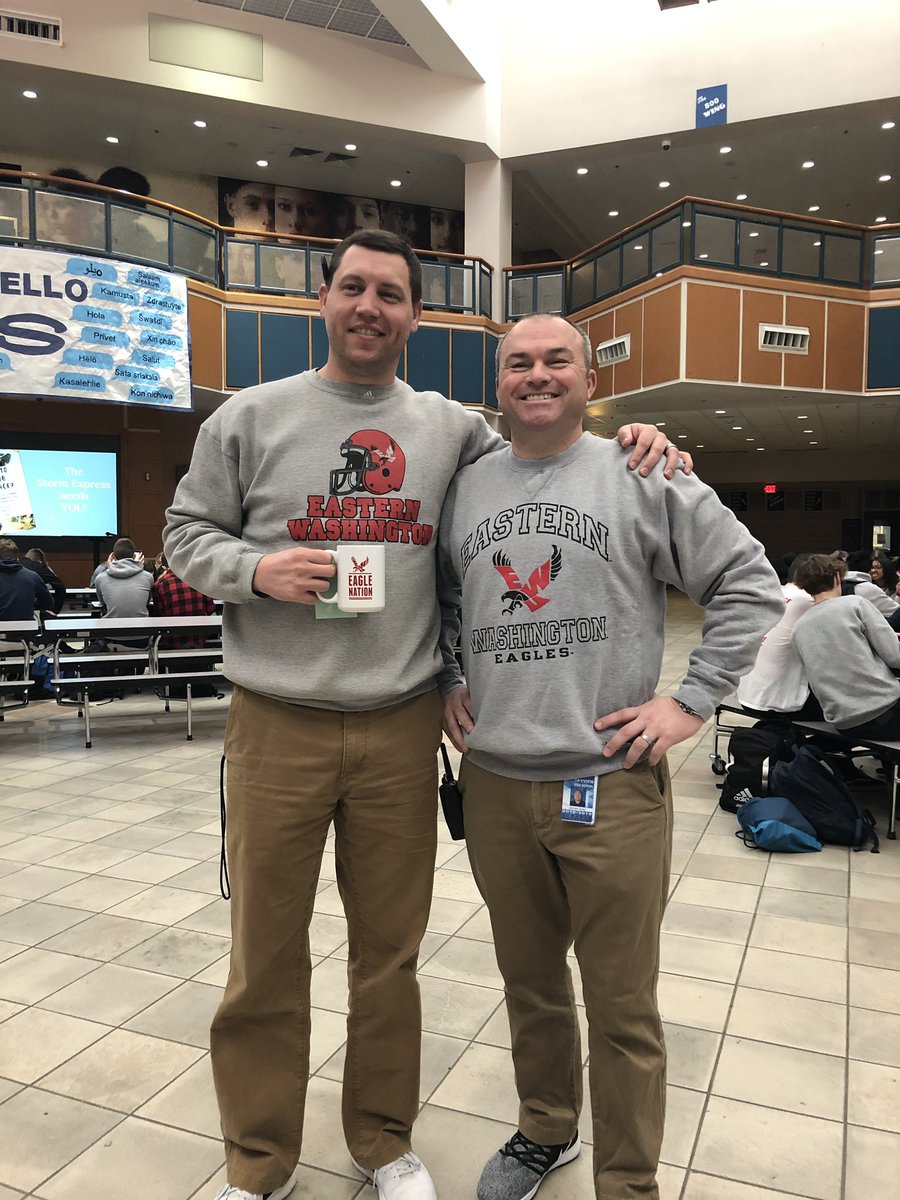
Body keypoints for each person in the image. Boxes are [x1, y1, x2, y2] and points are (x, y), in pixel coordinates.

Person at [163, 229, 688, 1200]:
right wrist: (255, 569)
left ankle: (380, 1141)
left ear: (414, 316)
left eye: (391, 294)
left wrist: (643, 444)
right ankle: (259, 1163)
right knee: (264, 956)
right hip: (276, 721)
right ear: (324, 299)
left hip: (401, 726)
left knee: (388, 956)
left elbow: (547, 448)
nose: (370, 307)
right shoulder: (249, 417)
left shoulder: (452, 429)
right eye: (353, 287)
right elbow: (184, 532)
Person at [437, 314, 783, 1200]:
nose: (538, 375)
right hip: (496, 783)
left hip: (610, 783)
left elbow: (748, 584)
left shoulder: (643, 472)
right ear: (498, 384)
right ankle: (545, 1129)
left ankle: (627, 1184)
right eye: (519, 362)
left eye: (558, 360)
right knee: (530, 986)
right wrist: (448, 676)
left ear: (591, 382)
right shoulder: (465, 488)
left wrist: (689, 701)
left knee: (622, 1005)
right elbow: (439, 600)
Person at [792, 554, 900, 739]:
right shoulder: (855, 604)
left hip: (843, 722)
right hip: (886, 712)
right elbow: (895, 657)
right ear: (837, 577)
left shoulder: (797, 629)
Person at [737, 551, 822, 719]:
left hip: (747, 696)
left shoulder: (775, 593)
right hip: (779, 705)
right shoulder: (807, 600)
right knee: (848, 709)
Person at [93, 537, 151, 618]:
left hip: (111, 624)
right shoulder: (148, 577)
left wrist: (108, 565)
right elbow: (147, 601)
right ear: (134, 556)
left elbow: (103, 603)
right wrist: (138, 565)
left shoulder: (100, 578)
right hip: (141, 624)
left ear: (113, 556)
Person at [0, 538, 55, 621]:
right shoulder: (32, 576)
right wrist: (29, 603)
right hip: (26, 626)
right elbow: (48, 603)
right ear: (17, 557)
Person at [23, 547, 66, 613]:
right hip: (33, 609)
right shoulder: (39, 567)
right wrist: (55, 611)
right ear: (39, 561)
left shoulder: (16, 563)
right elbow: (60, 587)